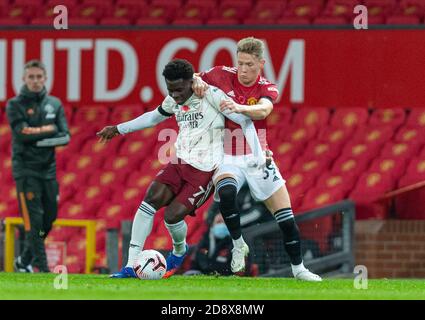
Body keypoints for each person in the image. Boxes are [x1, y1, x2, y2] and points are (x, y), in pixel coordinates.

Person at [96, 59, 266, 278]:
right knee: (150, 200)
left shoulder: (211, 95)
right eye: (170, 90)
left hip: (205, 171)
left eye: (178, 89)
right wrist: (118, 129)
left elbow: (245, 121)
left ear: (191, 82)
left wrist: (259, 155)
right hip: (179, 162)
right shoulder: (173, 100)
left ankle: (179, 249)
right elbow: (153, 117)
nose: (175, 95)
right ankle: (130, 266)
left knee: (172, 216)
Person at [192, 37, 322, 281]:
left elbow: (264, 110)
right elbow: (193, 78)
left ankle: (299, 269)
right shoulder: (221, 74)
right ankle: (238, 244)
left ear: (260, 64)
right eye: (240, 63)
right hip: (228, 156)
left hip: (257, 157)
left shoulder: (266, 87)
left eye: (249, 65)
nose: (243, 70)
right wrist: (197, 81)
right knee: (227, 194)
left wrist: (239, 108)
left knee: (286, 219)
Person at [6, 59, 70, 273]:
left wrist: (39, 137)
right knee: (35, 221)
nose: (35, 81)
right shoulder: (15, 104)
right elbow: (21, 134)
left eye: (38, 77)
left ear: (45, 78)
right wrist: (50, 130)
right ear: (24, 79)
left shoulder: (55, 104)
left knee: (49, 220)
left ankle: (23, 260)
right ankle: (42, 268)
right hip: (25, 171)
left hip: (48, 171)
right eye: (31, 77)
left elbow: (65, 136)